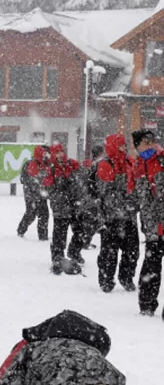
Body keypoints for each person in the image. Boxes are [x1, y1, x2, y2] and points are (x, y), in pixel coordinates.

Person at [95, 134, 139, 293]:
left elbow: (135, 187)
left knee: (132, 250)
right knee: (109, 252)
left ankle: (126, 277)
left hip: (129, 216)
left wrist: (133, 203)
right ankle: (106, 279)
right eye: (120, 145)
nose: (124, 148)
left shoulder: (129, 163)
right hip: (111, 217)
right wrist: (126, 199)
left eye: (124, 145)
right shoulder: (105, 165)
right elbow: (105, 192)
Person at [131, 129, 164, 318]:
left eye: (151, 142)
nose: (149, 146)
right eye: (144, 143)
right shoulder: (137, 166)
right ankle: (147, 304)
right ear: (137, 146)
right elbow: (136, 196)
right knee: (151, 266)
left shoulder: (161, 161)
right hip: (151, 227)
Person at [43, 143, 86, 274]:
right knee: (59, 234)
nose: (60, 154)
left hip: (75, 205)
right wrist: (61, 192)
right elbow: (48, 189)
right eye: (57, 152)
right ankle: (57, 257)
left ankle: (74, 252)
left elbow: (81, 181)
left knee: (80, 230)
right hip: (60, 207)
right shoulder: (51, 169)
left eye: (62, 151)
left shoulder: (72, 165)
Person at [16, 145, 51, 240]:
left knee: (44, 215)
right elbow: (23, 179)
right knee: (31, 214)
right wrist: (35, 185)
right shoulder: (29, 164)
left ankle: (42, 236)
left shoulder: (48, 165)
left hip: (42, 194)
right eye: (46, 153)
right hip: (31, 194)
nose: (48, 155)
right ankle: (21, 231)